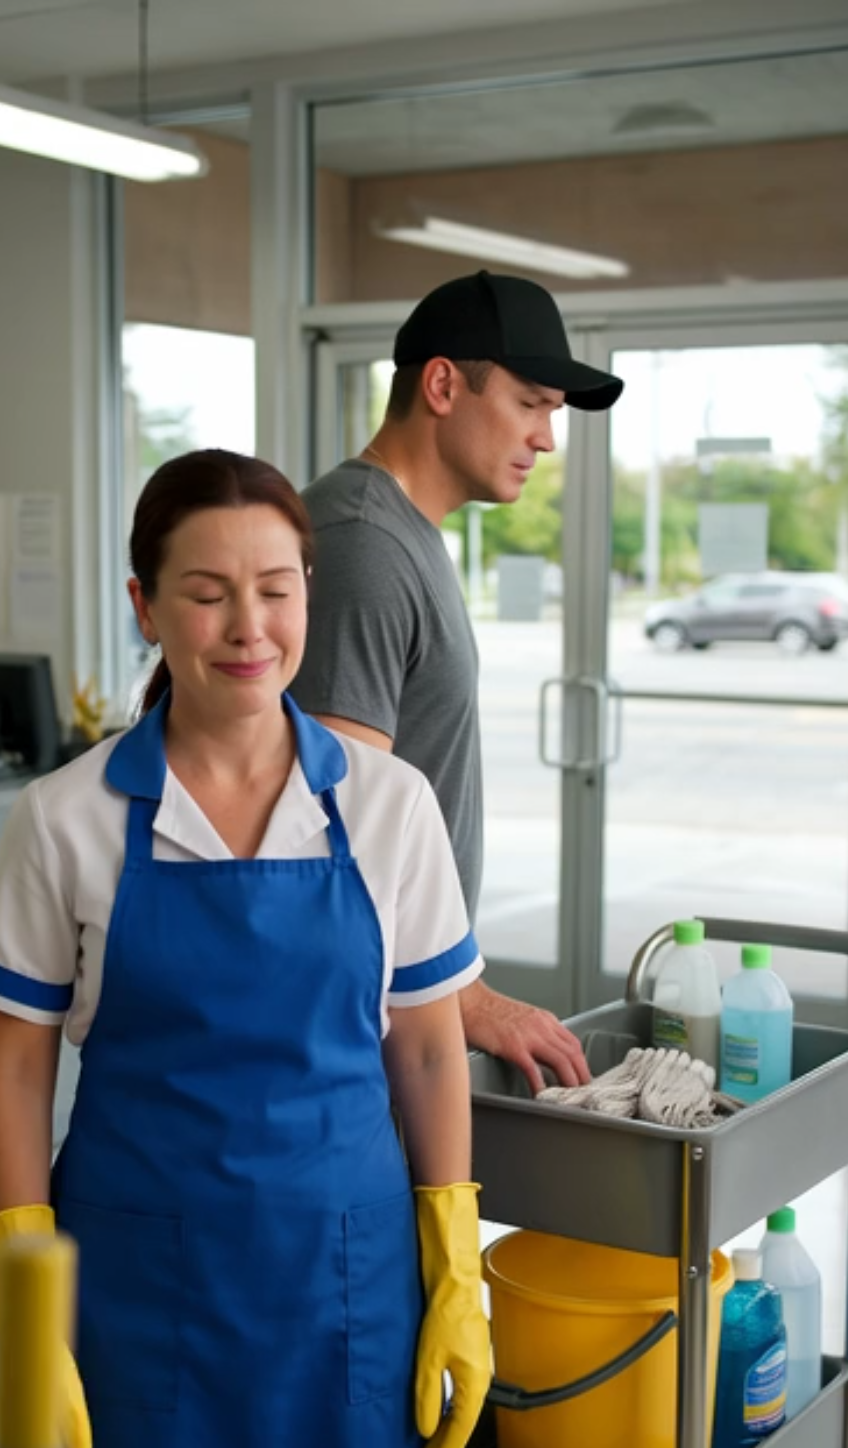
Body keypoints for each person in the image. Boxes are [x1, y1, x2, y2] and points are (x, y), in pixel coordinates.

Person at [0, 449, 492, 1448]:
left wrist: (457, 1266)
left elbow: (427, 1043)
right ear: (145, 605)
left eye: (277, 587)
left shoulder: (385, 805)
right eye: (206, 593)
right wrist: (23, 1294)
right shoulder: (67, 819)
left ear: (310, 589)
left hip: (342, 1284)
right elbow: (14, 1069)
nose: (247, 625)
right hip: (139, 1286)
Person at [292, 269, 624, 1096]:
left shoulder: (403, 530)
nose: (547, 437)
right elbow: (341, 826)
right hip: (354, 1016)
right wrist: (462, 992)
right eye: (531, 403)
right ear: (443, 384)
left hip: (399, 995)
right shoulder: (362, 542)